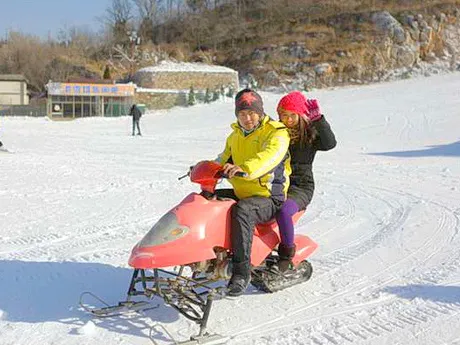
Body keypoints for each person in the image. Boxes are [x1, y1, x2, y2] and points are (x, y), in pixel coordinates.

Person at [213, 88, 291, 297]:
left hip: (269, 196)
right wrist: (204, 168)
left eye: (252, 113)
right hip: (243, 191)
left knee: (243, 210)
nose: (247, 118)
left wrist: (244, 168)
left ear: (260, 112)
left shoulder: (276, 133)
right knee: (209, 201)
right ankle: (211, 256)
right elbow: (222, 158)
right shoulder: (234, 136)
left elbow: (269, 157)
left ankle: (241, 272)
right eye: (242, 114)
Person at [275, 91, 336, 272]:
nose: (288, 120)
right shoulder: (275, 134)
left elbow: (329, 143)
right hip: (275, 184)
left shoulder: (310, 135)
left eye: (292, 115)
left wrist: (318, 121)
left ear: (301, 115)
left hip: (299, 186)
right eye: (283, 115)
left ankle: (286, 254)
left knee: (284, 211)